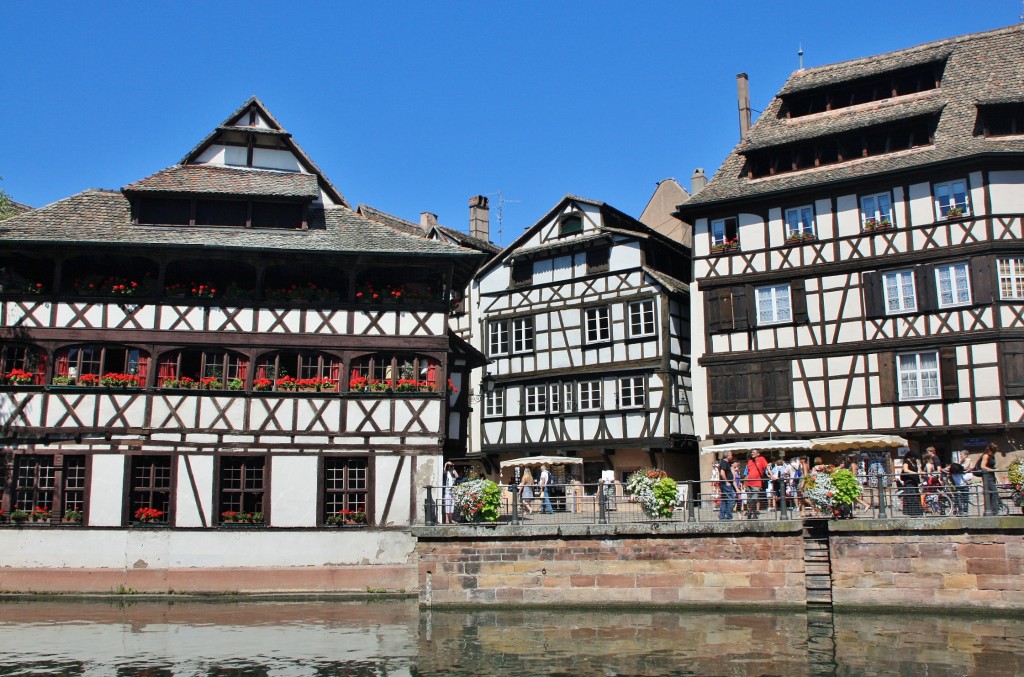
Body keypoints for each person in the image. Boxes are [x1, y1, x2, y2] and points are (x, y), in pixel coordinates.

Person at [744, 450, 769, 519]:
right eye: (752, 453)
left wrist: (771, 475)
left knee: (754, 498)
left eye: (754, 452)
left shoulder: (761, 459)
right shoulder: (750, 462)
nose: (752, 454)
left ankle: (751, 512)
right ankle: (753, 513)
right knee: (749, 499)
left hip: (756, 482)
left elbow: (767, 467)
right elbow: (747, 473)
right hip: (749, 483)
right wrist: (745, 483)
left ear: (758, 454)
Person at [979, 443, 1000, 516]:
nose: (994, 453)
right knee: (993, 492)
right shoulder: (986, 456)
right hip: (987, 476)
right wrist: (992, 470)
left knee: (992, 493)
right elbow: (983, 466)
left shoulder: (992, 456)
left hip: (992, 476)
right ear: (990, 450)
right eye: (993, 451)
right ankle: (993, 511)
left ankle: (992, 510)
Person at [899, 453, 921, 517]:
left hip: (914, 481)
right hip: (909, 481)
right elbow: (905, 470)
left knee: (916, 495)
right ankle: (910, 511)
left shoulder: (914, 462)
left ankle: (917, 511)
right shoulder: (906, 461)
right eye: (914, 457)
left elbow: (918, 469)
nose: (915, 459)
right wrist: (914, 473)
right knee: (910, 495)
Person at [718, 451, 736, 520]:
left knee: (724, 500)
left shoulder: (726, 463)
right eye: (731, 455)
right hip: (726, 485)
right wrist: (727, 482)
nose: (732, 456)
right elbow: (722, 473)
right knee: (731, 500)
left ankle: (722, 517)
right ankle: (729, 517)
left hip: (724, 484)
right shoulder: (724, 463)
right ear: (728, 456)